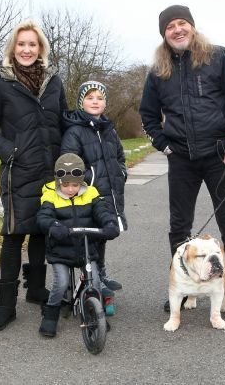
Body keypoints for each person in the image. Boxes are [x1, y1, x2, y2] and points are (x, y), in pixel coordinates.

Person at [139, 5, 225, 320]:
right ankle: (184, 288)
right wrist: (164, 145)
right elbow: (147, 114)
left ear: (191, 26)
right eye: (170, 26)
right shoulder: (158, 70)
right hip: (182, 159)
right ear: (164, 33)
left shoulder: (218, 56)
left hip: (221, 155)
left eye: (182, 23)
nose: (177, 30)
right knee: (179, 228)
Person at [0, 19, 68, 333]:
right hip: (18, 172)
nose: (27, 49)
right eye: (21, 44)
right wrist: (10, 152)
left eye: (32, 44)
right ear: (12, 48)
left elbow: (64, 123)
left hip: (51, 171)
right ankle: (5, 306)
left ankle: (37, 290)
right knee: (14, 235)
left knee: (42, 231)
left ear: (40, 47)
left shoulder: (54, 82)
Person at [36, 153, 119, 337]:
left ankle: (96, 314)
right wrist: (53, 226)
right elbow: (44, 216)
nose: (70, 189)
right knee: (61, 283)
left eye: (75, 184)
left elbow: (102, 212)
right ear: (58, 182)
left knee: (95, 281)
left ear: (81, 180)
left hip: (86, 248)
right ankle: (51, 314)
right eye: (65, 185)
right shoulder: (50, 193)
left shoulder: (91, 192)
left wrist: (110, 223)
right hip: (60, 249)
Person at [60, 80, 127, 298]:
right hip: (88, 194)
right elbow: (69, 163)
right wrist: (91, 180)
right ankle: (91, 277)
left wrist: (121, 173)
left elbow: (120, 157)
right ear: (81, 102)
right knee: (89, 237)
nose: (95, 101)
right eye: (90, 97)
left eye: (99, 98)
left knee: (103, 234)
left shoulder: (109, 130)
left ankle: (102, 273)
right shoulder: (74, 132)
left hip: (110, 193)